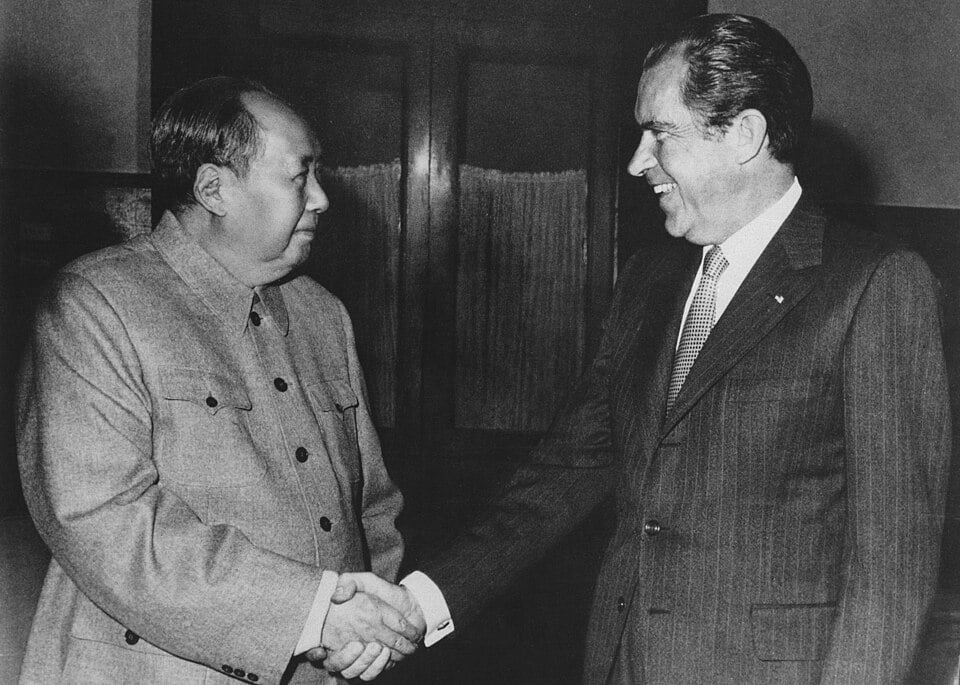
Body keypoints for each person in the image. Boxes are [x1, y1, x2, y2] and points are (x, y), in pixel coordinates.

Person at [323, 13, 952, 684]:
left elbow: (892, 568)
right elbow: (566, 470)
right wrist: (420, 603)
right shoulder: (651, 280)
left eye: (660, 133)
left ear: (744, 134)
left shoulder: (874, 283)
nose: (636, 161)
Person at [16, 76, 423, 685]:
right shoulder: (94, 306)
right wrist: (313, 617)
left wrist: (370, 631)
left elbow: (371, 509)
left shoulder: (323, 315)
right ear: (214, 189)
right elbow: (105, 522)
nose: (321, 199)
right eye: (298, 175)